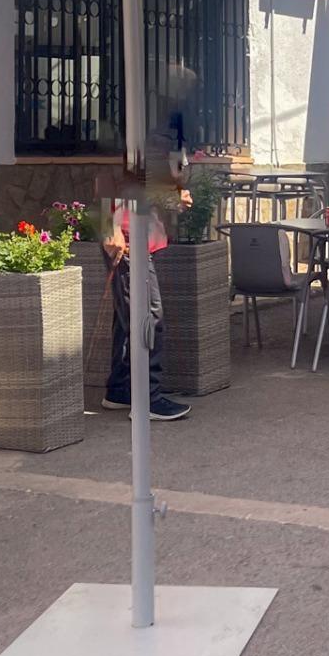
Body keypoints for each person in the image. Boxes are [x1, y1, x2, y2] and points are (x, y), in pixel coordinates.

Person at [101, 82, 197, 422]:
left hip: (135, 235)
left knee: (128, 318)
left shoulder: (147, 143)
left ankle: (120, 388)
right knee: (149, 318)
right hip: (129, 238)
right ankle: (149, 397)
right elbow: (121, 188)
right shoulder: (134, 144)